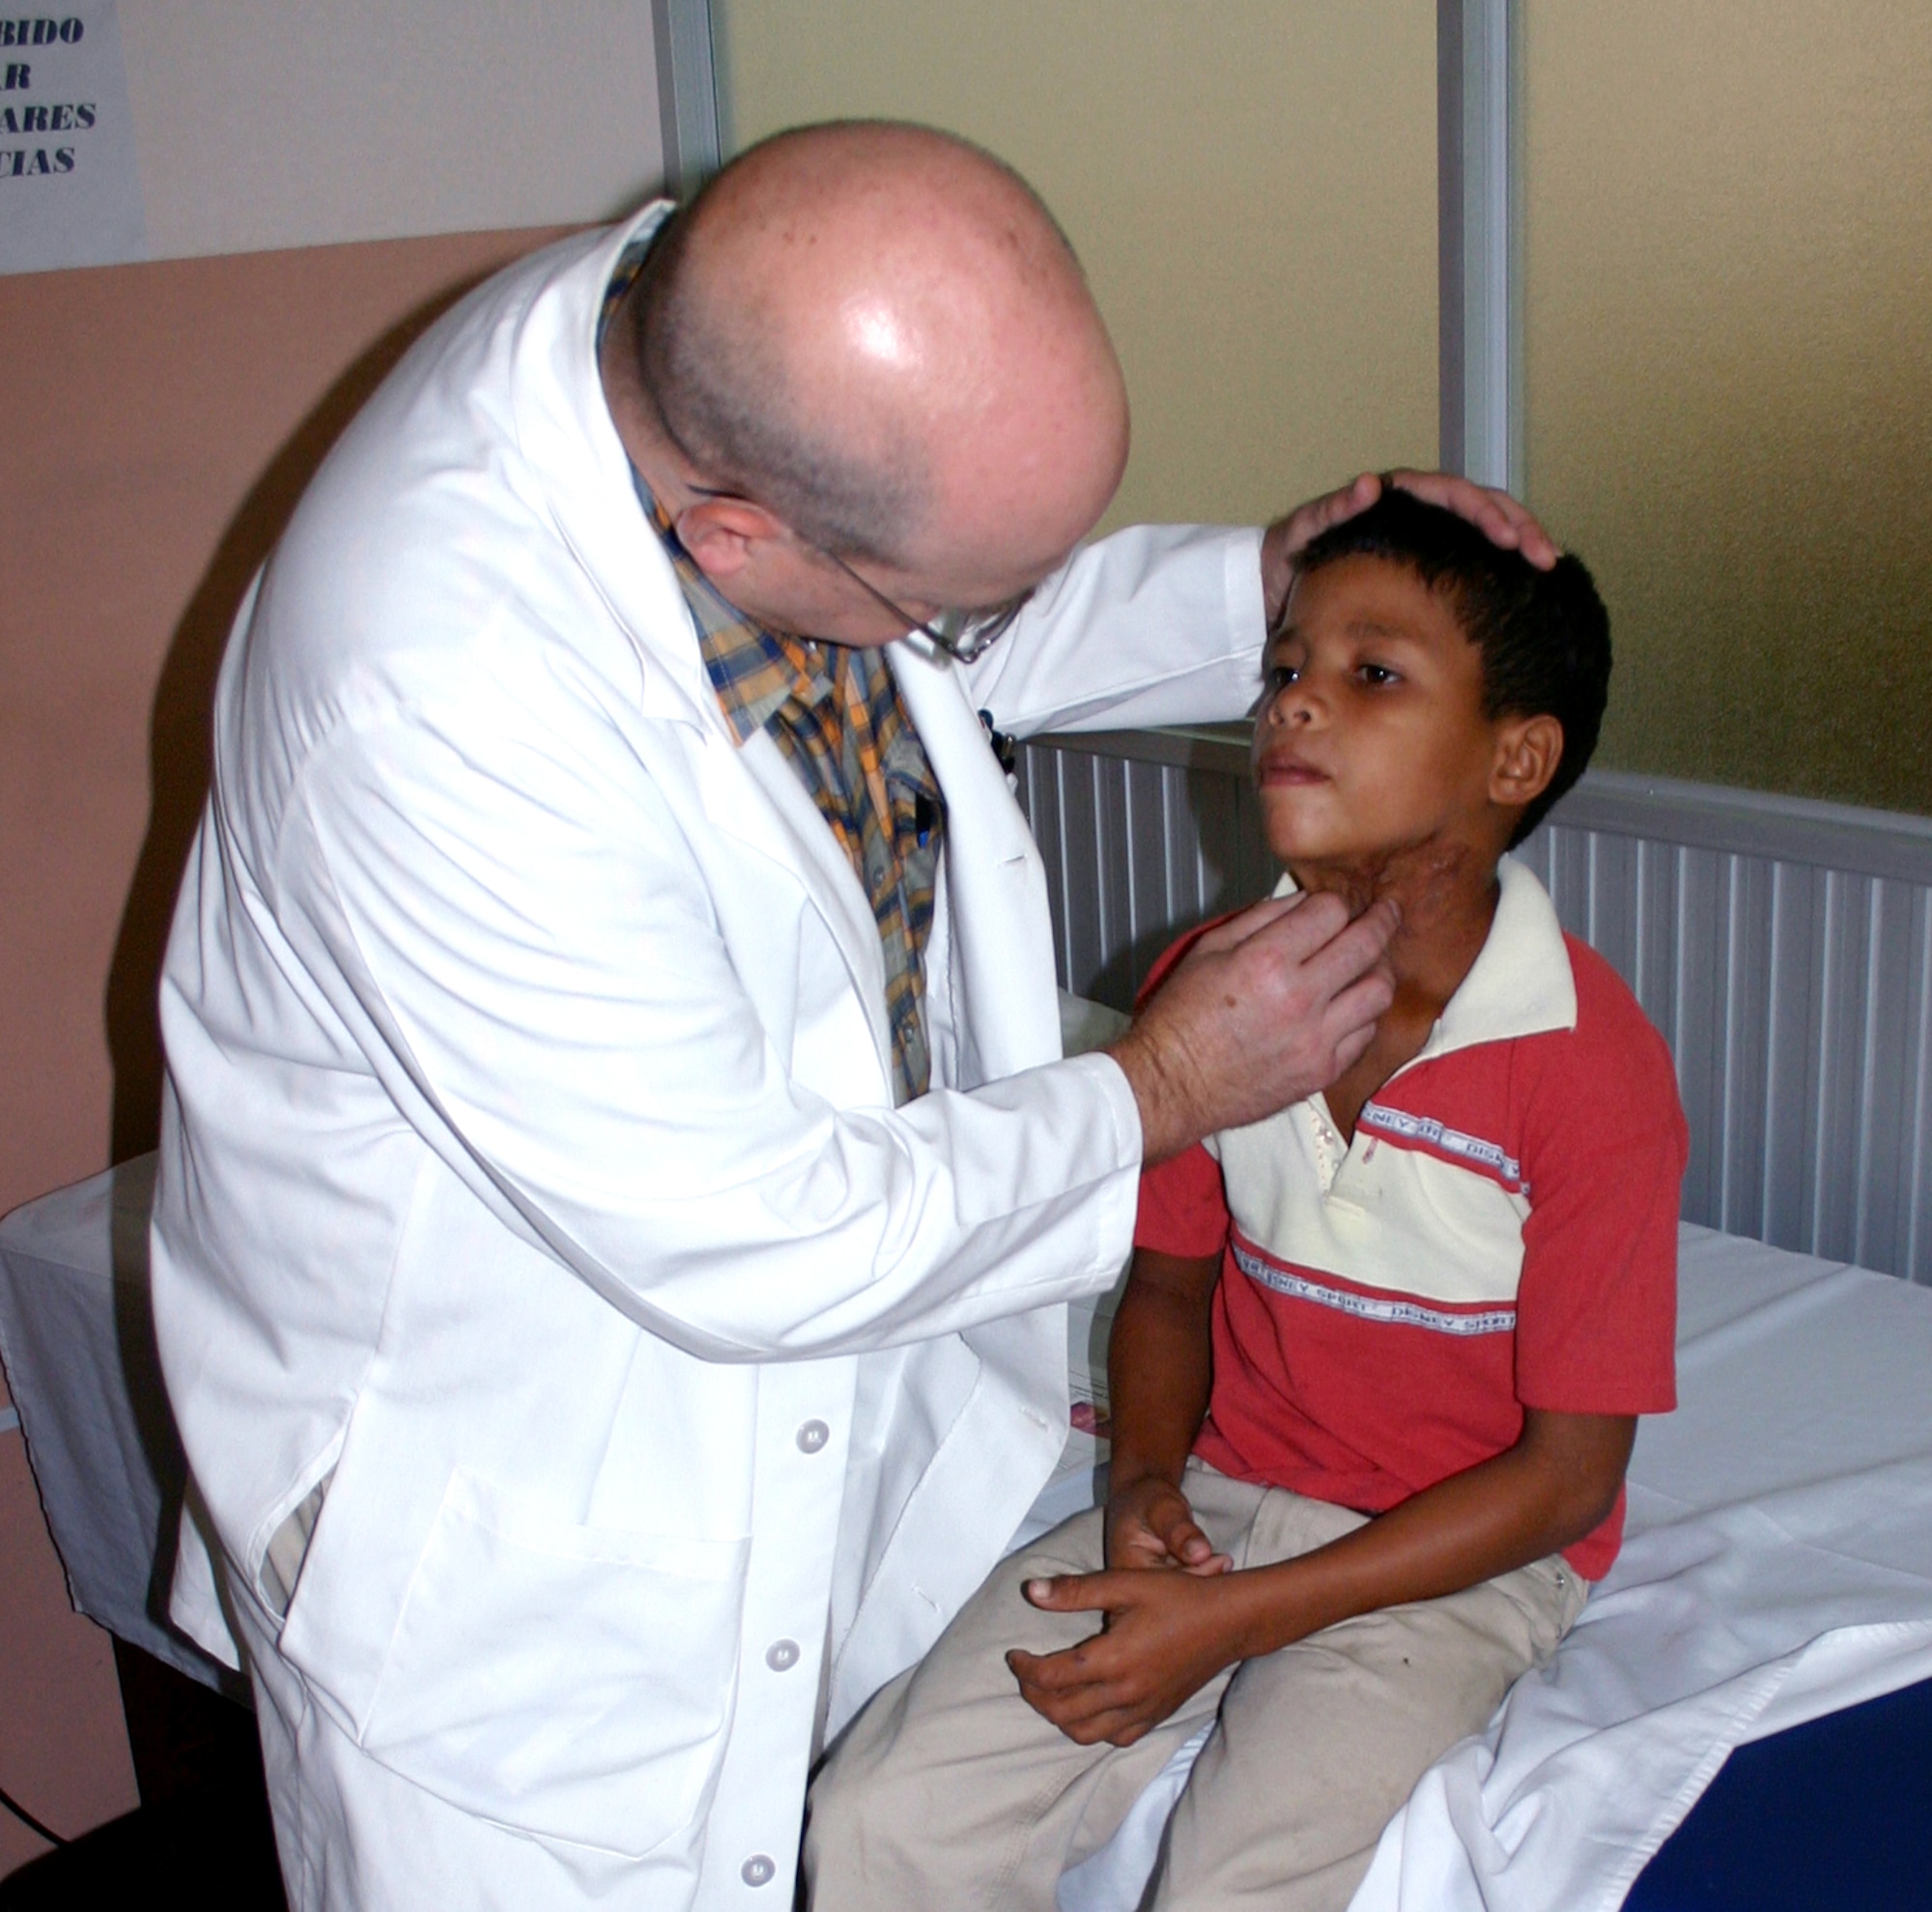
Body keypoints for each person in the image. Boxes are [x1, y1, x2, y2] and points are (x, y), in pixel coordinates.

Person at [149, 123, 1551, 1910]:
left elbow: (940, 634)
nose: (977, 635)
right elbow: (753, 1235)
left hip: (767, 1394)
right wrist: (1158, 1088)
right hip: (505, 1553)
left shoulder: (689, 332)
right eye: (966, 595)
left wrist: (1268, 587)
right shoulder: (438, 697)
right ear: (731, 533)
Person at [806, 490, 1688, 1912]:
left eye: (1370, 674)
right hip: (1225, 1493)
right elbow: (1166, 1289)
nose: (1293, 707)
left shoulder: (1590, 1072)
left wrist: (1236, 1622)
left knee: (1234, 1883)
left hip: (1459, 1557)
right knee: (879, 1816)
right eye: (1282, 669)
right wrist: (1148, 1486)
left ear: (1517, 756)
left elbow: (1567, 1481)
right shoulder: (1217, 997)